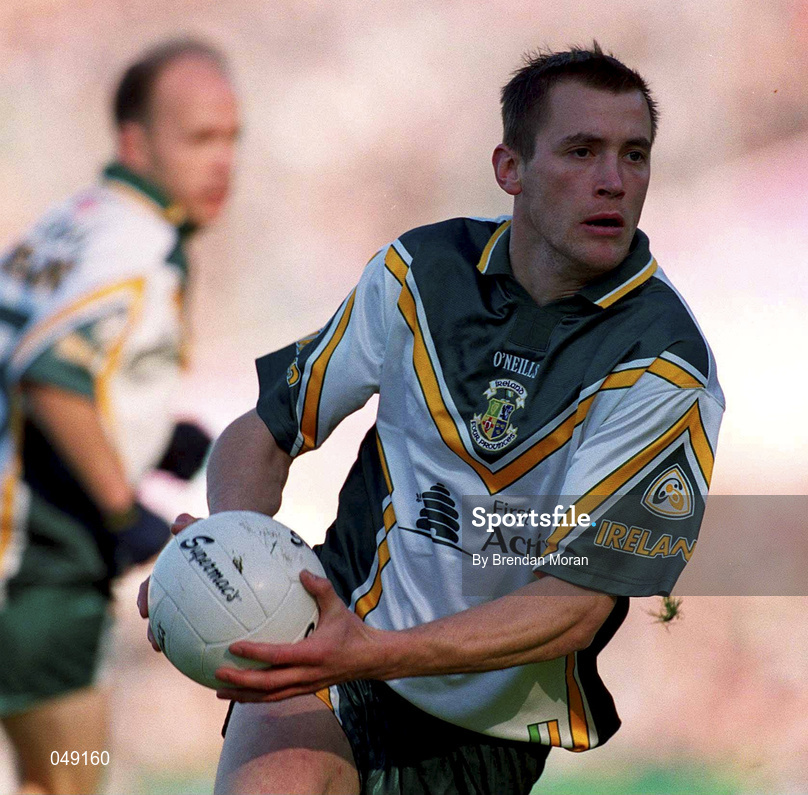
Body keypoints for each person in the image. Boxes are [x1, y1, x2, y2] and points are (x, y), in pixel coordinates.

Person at [141, 43, 725, 795]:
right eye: (581, 151)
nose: (614, 180)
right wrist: (230, 564)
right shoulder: (419, 275)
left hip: (489, 721)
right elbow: (265, 431)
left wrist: (373, 652)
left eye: (634, 154)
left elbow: (576, 605)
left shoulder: (663, 363)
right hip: (335, 644)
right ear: (509, 168)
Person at [0, 39, 240, 795]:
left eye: (232, 138)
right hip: (35, 564)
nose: (222, 161)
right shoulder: (137, 242)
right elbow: (51, 375)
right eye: (199, 138)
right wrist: (120, 503)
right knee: (70, 779)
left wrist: (151, 439)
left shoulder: (77, 219)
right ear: (135, 141)